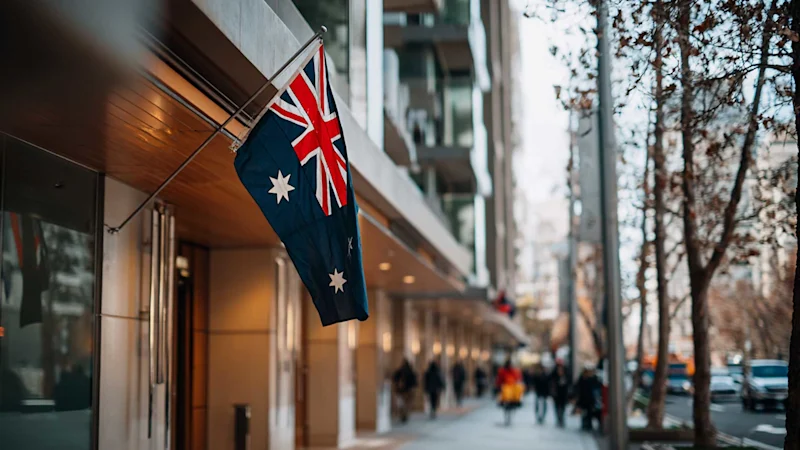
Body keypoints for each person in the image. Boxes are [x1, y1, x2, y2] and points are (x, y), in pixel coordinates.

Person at [495, 358, 524, 426]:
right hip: (506, 388)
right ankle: (509, 406)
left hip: (511, 388)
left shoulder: (512, 371)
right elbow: (499, 379)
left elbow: (518, 378)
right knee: (506, 398)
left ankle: (512, 405)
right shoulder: (504, 371)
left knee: (512, 397)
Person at [575, 365, 603, 431]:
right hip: (583, 399)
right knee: (584, 413)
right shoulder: (581, 379)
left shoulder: (593, 379)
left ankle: (589, 425)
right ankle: (584, 424)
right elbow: (578, 388)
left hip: (590, 400)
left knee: (589, 413)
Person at [392, 359, 418, 423]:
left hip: (401, 391)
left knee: (402, 403)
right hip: (409, 390)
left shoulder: (399, 371)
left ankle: (403, 414)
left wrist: (397, 386)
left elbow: (394, 379)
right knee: (407, 403)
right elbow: (415, 382)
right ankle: (405, 414)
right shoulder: (411, 371)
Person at [550, 360, 571, 428]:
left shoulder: (566, 376)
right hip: (556, 394)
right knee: (557, 408)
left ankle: (561, 419)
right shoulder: (554, 375)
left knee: (562, 407)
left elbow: (569, 383)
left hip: (563, 394)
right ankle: (559, 419)